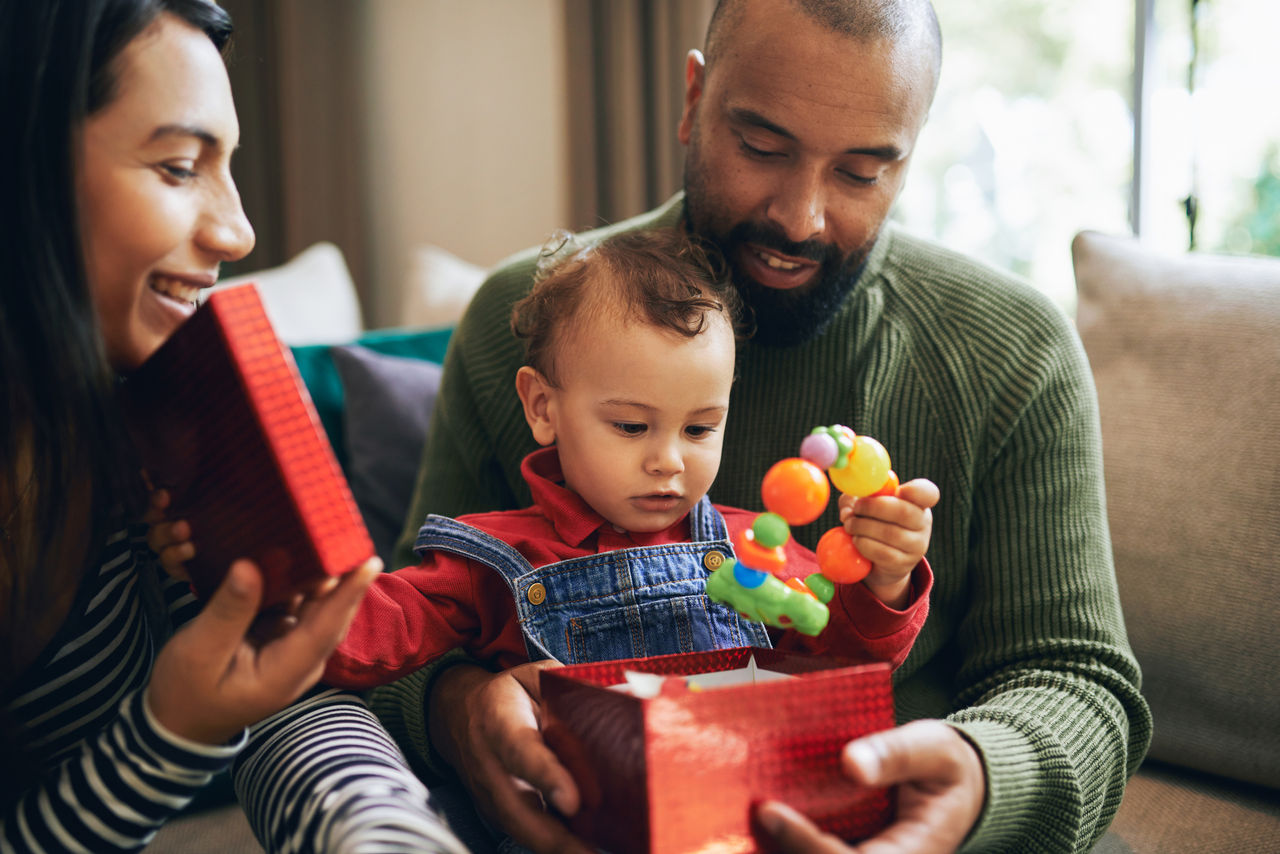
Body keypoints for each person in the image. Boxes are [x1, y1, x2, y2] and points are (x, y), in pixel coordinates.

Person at [380, 0, 1153, 852]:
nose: (801, 217)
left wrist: (975, 778)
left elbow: (1080, 682)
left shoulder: (1015, 349)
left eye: (861, 172)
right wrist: (454, 712)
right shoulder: (517, 321)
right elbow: (394, 629)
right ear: (693, 99)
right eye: (761, 147)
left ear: (910, 154)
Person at [0, 3, 467, 852]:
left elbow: (281, 695)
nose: (239, 231)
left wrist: (389, 834)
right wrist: (167, 735)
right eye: (180, 166)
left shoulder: (150, 412)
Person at [319, 228, 934, 694]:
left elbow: (850, 657)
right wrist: (293, 598)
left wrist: (886, 579)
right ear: (542, 407)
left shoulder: (754, 550)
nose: (668, 461)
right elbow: (366, 630)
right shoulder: (491, 561)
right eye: (631, 426)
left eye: (699, 427)